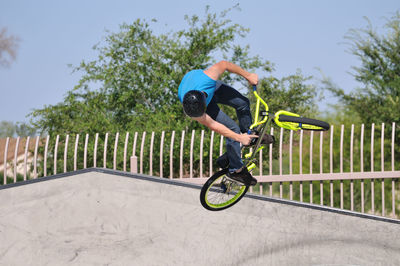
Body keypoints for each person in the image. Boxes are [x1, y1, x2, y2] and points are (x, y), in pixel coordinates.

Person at [178, 61, 274, 186]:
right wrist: (239, 138)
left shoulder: (208, 78)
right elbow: (215, 126)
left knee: (243, 103)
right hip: (200, 98)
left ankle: (249, 134)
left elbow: (225, 64)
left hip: (212, 88)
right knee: (232, 129)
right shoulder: (193, 110)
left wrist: (248, 75)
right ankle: (236, 170)